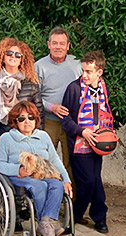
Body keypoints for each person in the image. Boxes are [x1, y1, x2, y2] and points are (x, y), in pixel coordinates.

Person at [0, 101, 72, 236]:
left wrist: (66, 179)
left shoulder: (43, 136)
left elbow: (55, 160)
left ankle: (45, 223)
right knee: (39, 186)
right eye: (22, 118)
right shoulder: (6, 138)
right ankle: (48, 226)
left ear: (36, 120)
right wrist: (17, 170)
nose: (27, 122)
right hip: (18, 178)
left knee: (57, 184)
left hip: (42, 175)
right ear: (15, 121)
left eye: (31, 118)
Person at [60, 50, 113, 234]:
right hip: (78, 145)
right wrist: (82, 131)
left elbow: (105, 113)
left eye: (89, 71)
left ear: (99, 72)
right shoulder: (74, 89)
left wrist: (108, 132)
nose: (84, 75)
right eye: (83, 70)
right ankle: (76, 214)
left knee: (95, 181)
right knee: (89, 181)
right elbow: (65, 120)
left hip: (97, 144)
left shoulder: (103, 88)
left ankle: (98, 218)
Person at [34, 27, 82, 184]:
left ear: (68, 45)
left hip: (72, 122)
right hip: (49, 121)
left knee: (71, 163)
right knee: (46, 162)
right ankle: (50, 199)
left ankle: (72, 202)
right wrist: (51, 107)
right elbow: (34, 96)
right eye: (54, 43)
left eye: (62, 43)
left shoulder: (77, 63)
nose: (58, 47)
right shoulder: (39, 66)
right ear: (48, 44)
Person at [0, 37, 44, 152]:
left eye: (18, 55)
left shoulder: (30, 82)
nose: (13, 56)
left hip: (26, 136)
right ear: (2, 57)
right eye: (9, 53)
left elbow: (38, 112)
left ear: (22, 60)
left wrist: (37, 135)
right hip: (1, 135)